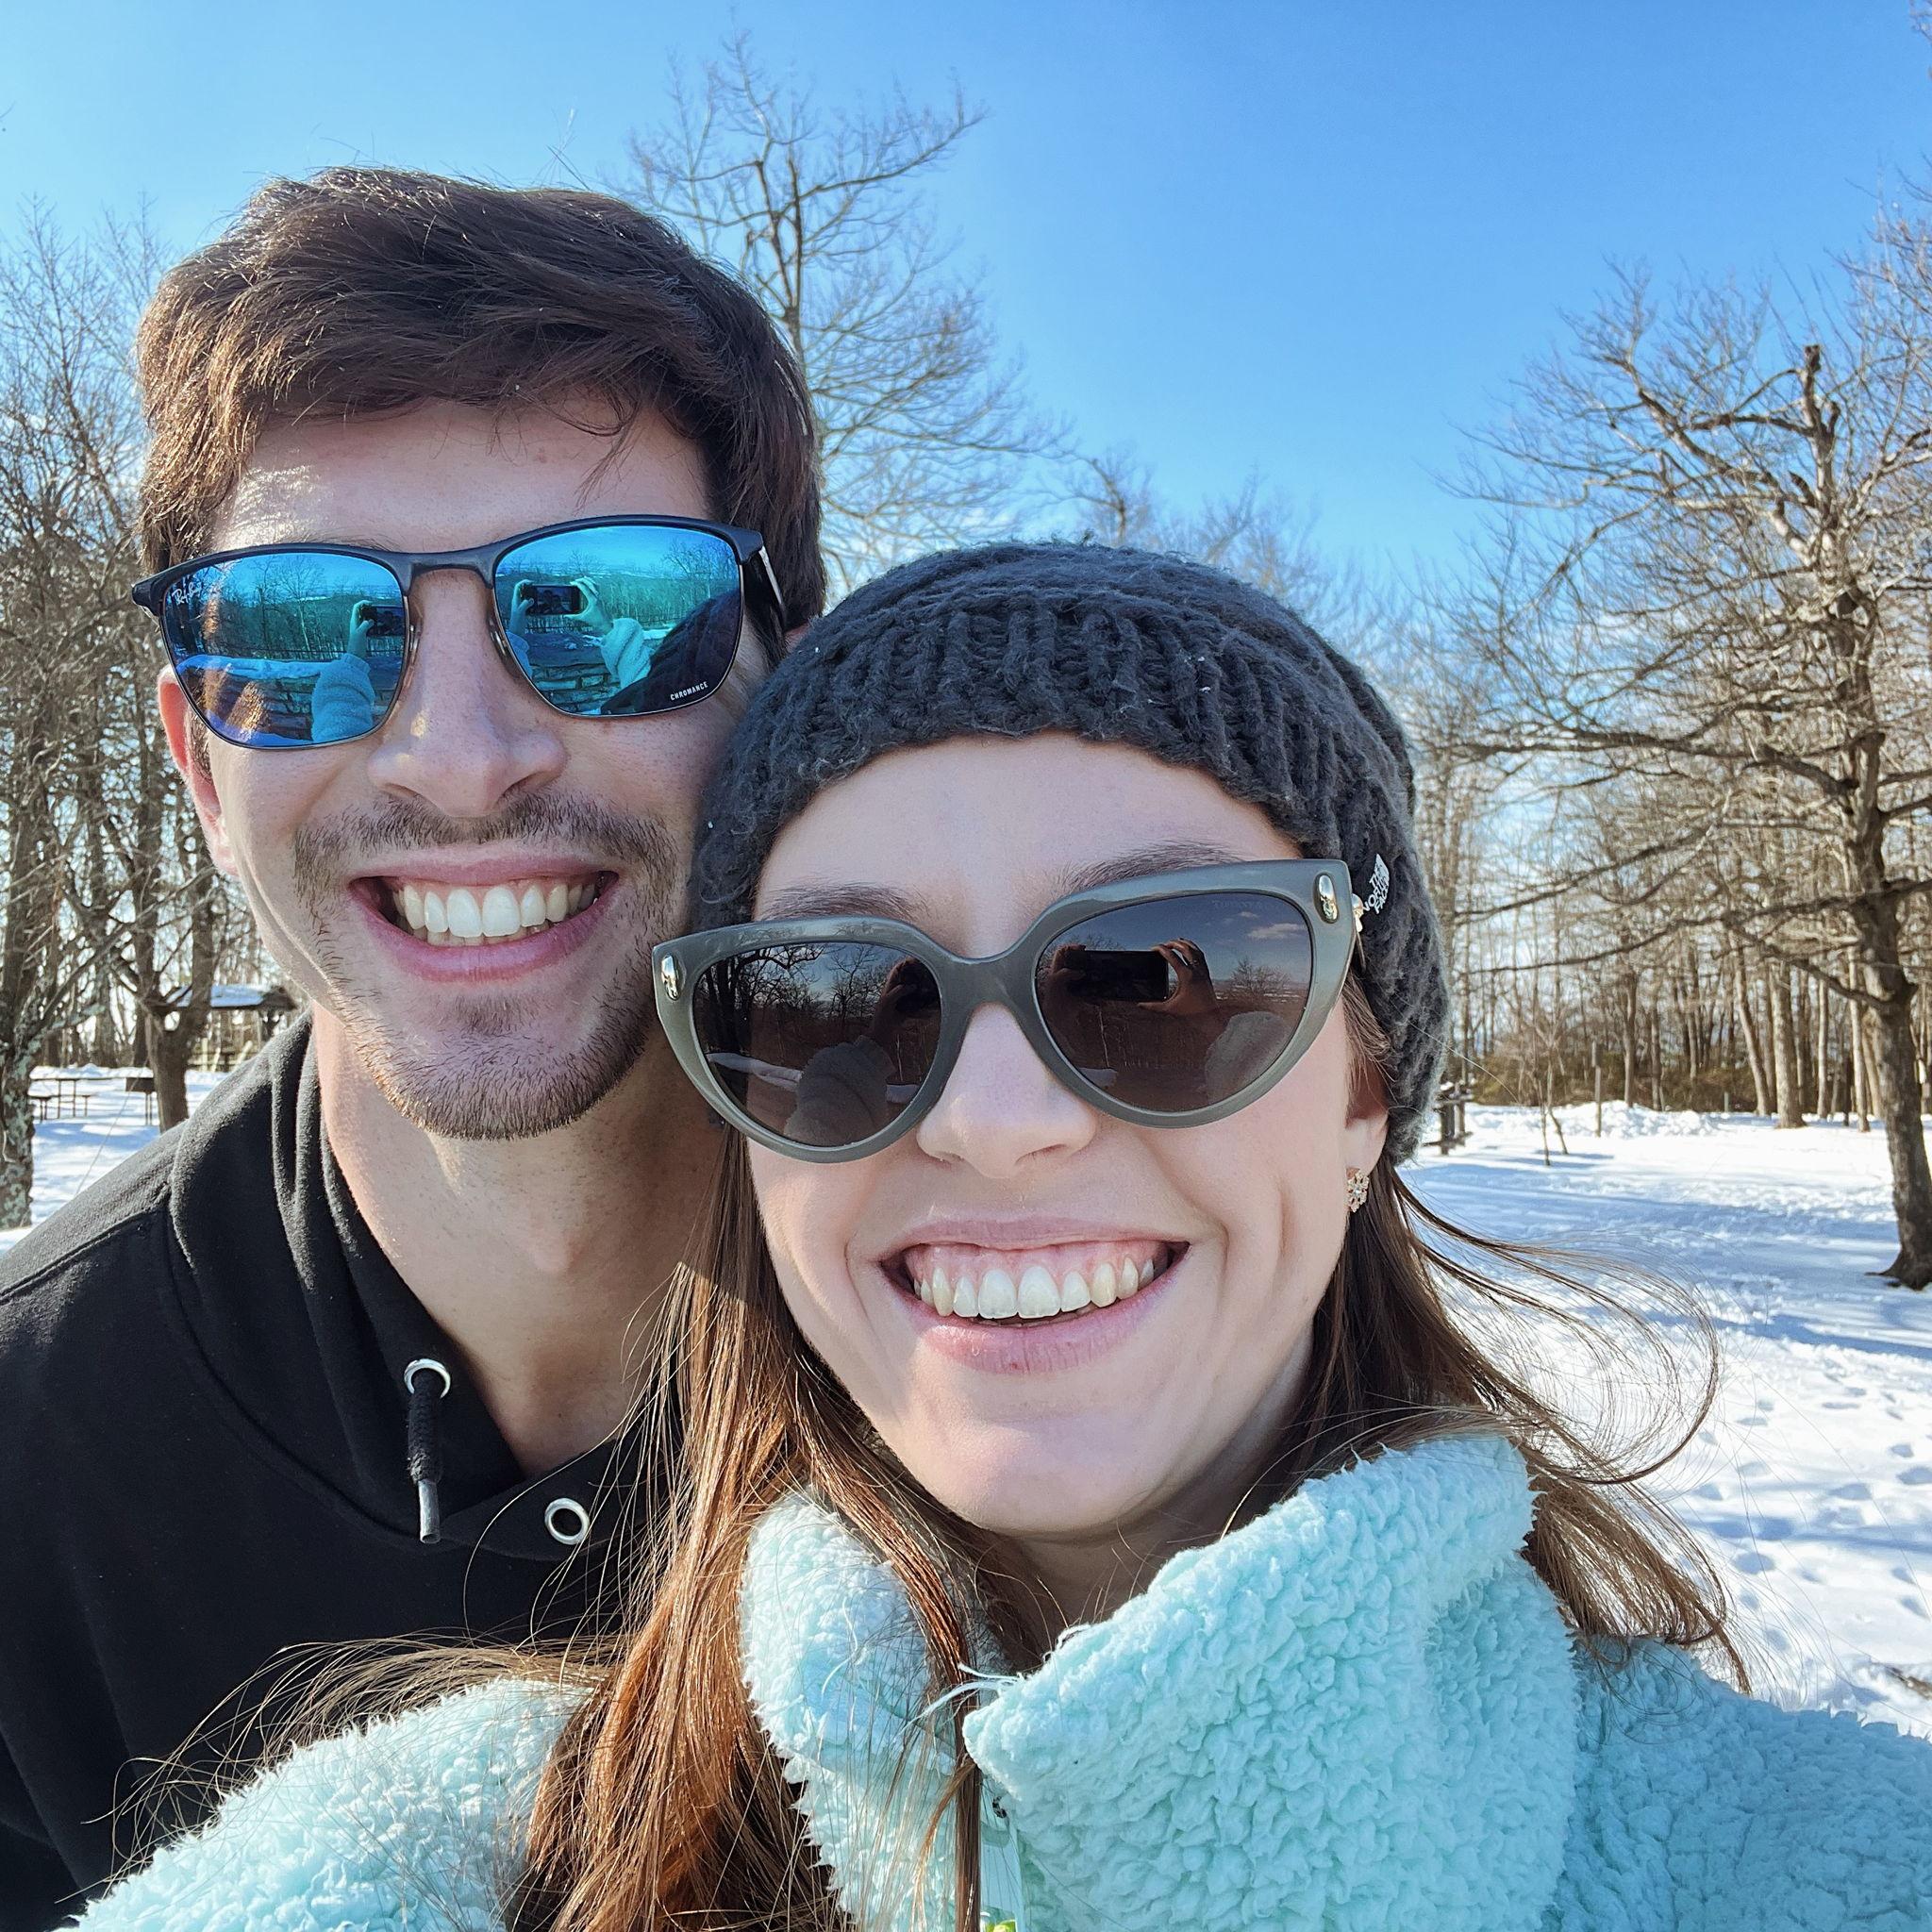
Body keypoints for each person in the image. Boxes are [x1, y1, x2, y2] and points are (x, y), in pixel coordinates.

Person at [73, 544, 1932, 1931]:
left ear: (1368, 1090)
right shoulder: (450, 1865)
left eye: (1155, 978)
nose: (991, 1115)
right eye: (843, 1000)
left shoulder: (1829, 1866)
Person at [0, 165, 821, 1930]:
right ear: (197, 760)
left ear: (785, 691)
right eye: (300, 630)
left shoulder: (1025, 1308)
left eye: (608, 607)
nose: (459, 756)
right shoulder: (26, 1462)